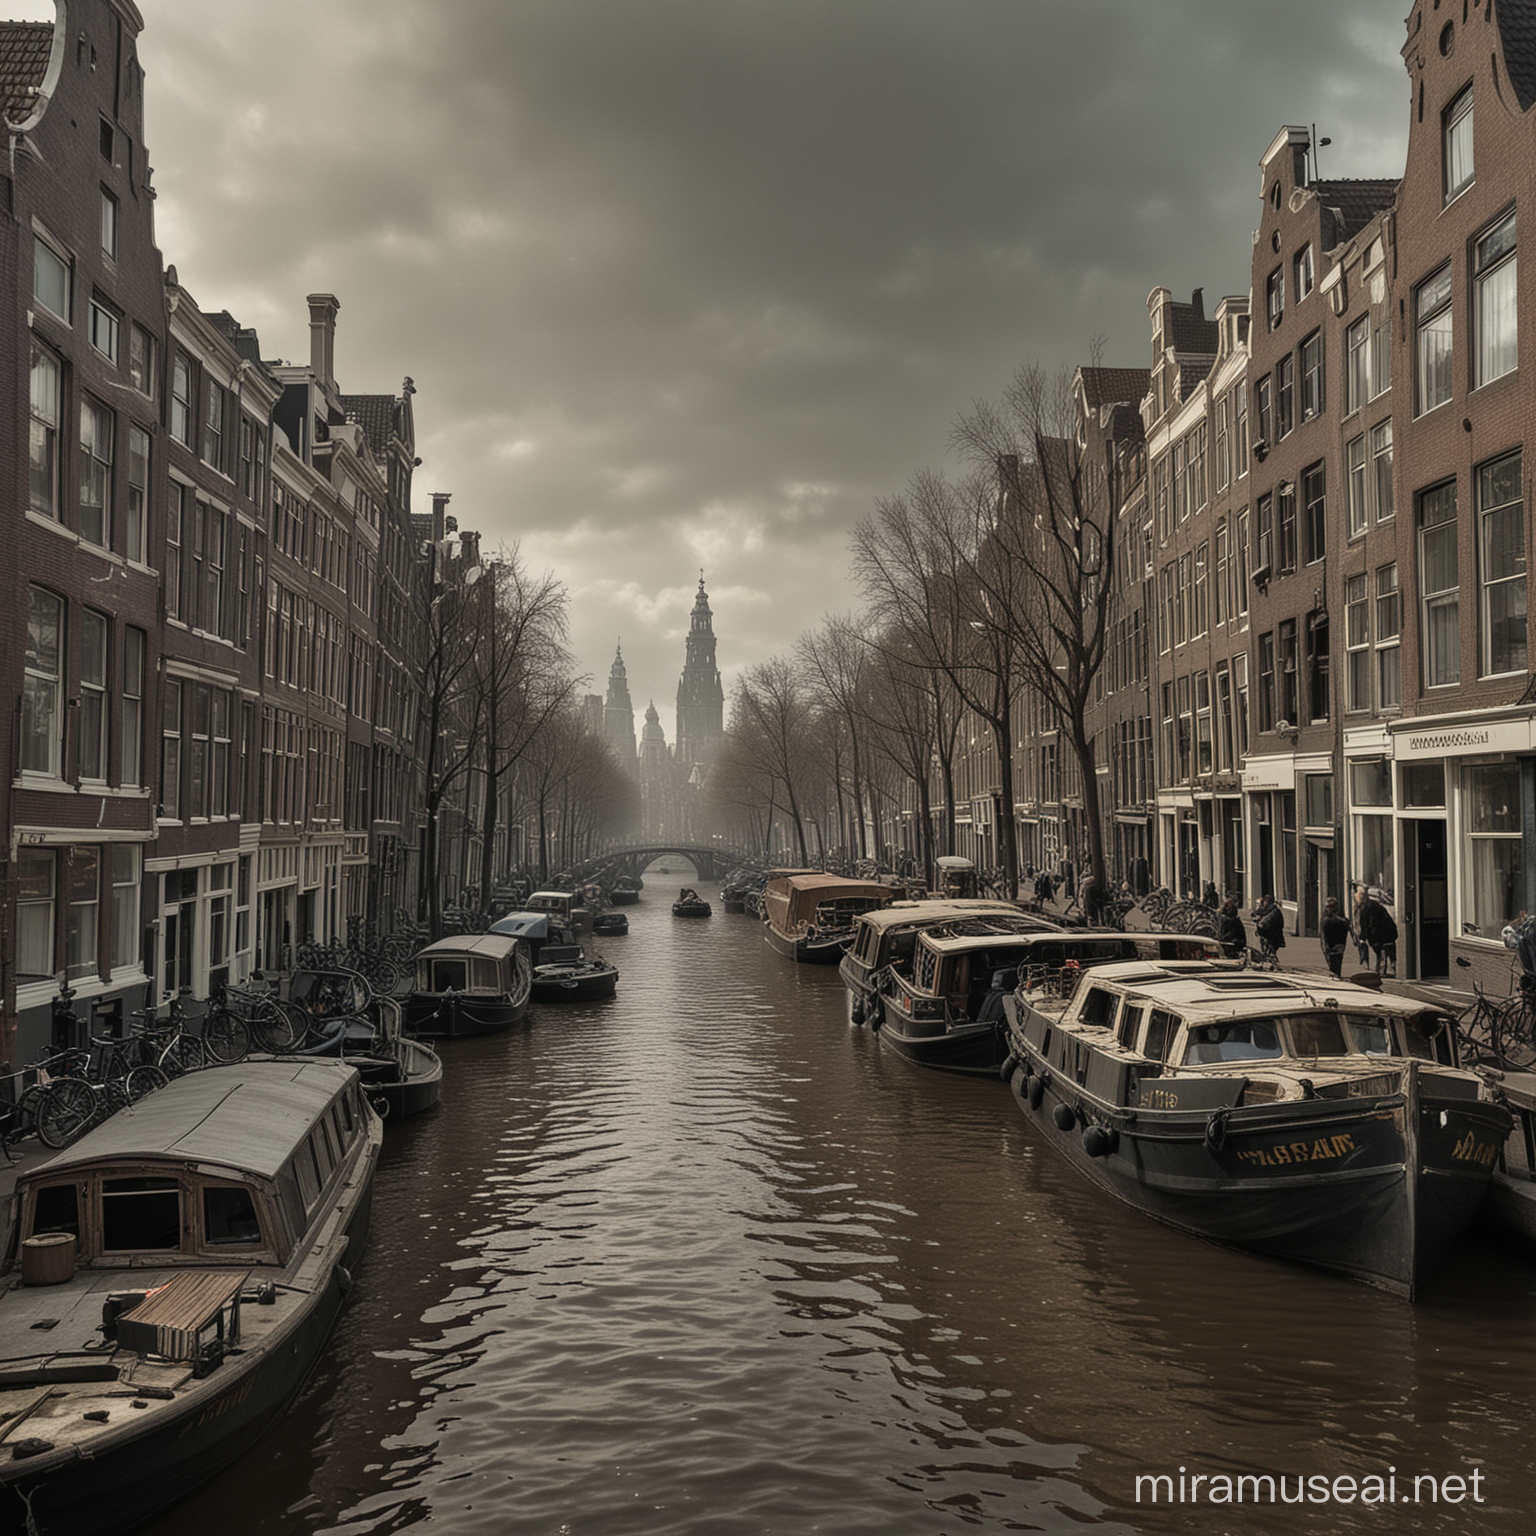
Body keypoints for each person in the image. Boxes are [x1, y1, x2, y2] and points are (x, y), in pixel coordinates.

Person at [1354, 886, 1398, 978]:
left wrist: (1362, 938)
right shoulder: (1378, 906)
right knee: (1388, 953)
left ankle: (1381, 973)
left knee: (1381, 954)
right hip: (1389, 934)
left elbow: (1363, 924)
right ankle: (1389, 970)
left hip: (1378, 936)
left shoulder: (1364, 908)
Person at [1320, 896, 1351, 979]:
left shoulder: (1338, 916)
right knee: (1332, 962)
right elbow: (1323, 932)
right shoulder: (1327, 917)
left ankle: (1336, 974)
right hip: (1330, 944)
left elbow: (1346, 924)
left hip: (1338, 944)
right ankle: (1335, 974)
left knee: (1336, 961)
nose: (1331, 909)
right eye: (1330, 907)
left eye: (1333, 907)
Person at [1253, 895, 1285, 967]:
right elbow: (1254, 914)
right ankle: (1267, 960)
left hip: (1273, 934)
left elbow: (1272, 920)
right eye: (1265, 901)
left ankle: (1272, 961)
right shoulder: (1263, 909)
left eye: (1267, 902)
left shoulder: (1275, 911)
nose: (1266, 903)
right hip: (1264, 933)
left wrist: (1263, 923)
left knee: (1271, 948)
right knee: (1265, 948)